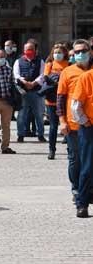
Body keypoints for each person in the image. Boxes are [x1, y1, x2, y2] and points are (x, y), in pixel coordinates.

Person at [57, 40, 91, 207]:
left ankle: (87, 192)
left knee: (89, 161)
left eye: (83, 50)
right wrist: (62, 121)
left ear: (90, 51)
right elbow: (60, 98)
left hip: (90, 124)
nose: (80, 54)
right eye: (77, 51)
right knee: (75, 159)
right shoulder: (67, 72)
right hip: (74, 124)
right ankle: (77, 189)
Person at [70, 55, 93, 218]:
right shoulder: (86, 77)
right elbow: (76, 105)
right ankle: (82, 204)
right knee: (87, 167)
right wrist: (85, 122)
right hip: (90, 127)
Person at [14, 42, 46, 143]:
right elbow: (16, 75)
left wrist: (34, 83)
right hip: (23, 92)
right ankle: (20, 135)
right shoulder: (18, 61)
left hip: (36, 92)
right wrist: (24, 81)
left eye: (31, 49)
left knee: (39, 115)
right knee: (21, 115)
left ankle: (41, 134)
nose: (29, 51)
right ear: (24, 50)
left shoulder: (40, 61)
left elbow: (42, 74)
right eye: (27, 49)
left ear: (35, 50)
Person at [44, 44, 70, 159]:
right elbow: (46, 78)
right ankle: (52, 149)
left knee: (67, 125)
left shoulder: (69, 64)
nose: (57, 54)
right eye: (55, 52)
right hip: (52, 100)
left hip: (65, 99)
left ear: (64, 53)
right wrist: (57, 81)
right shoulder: (49, 64)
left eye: (59, 52)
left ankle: (70, 149)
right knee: (53, 127)